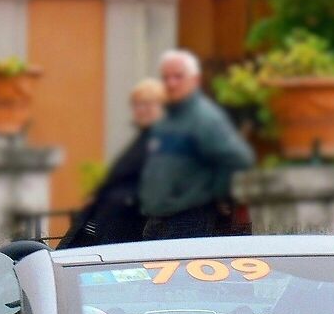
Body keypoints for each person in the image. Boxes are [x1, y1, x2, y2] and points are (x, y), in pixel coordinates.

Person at [138, 50, 254, 241]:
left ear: (195, 80)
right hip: (159, 220)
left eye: (178, 77)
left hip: (187, 221)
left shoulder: (203, 117)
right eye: (166, 77)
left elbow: (238, 157)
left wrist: (218, 192)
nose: (171, 83)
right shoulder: (168, 117)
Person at [62, 78, 164, 248]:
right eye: (137, 104)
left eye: (147, 104)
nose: (141, 110)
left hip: (123, 233)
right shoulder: (144, 137)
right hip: (100, 226)